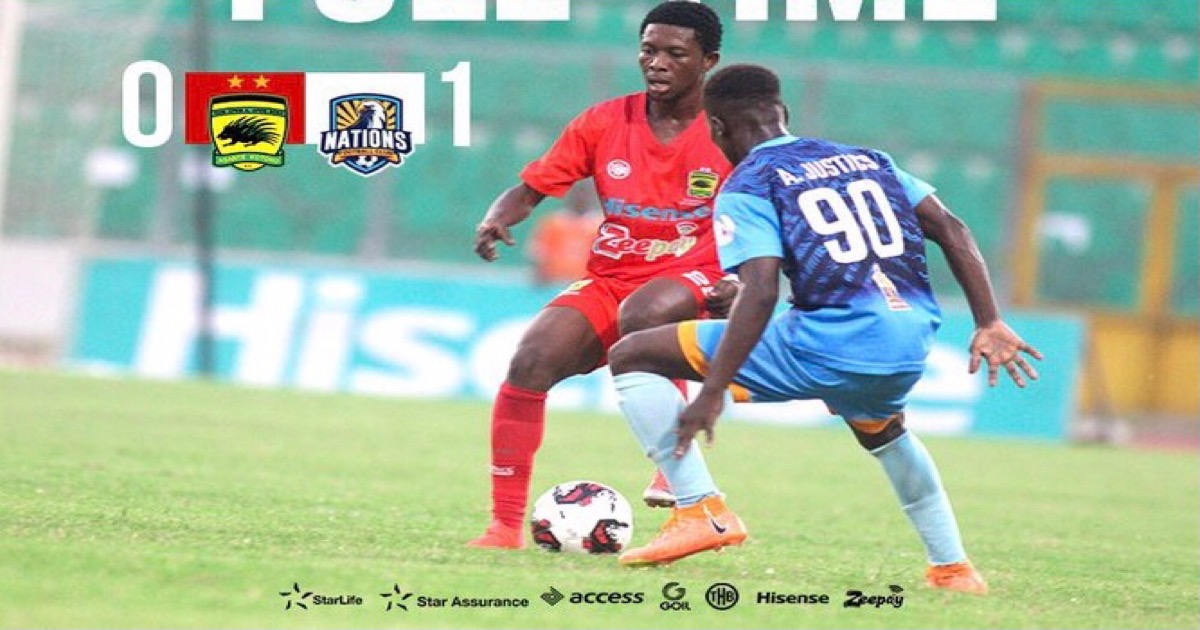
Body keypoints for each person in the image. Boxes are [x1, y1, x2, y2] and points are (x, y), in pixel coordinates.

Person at [607, 64, 1043, 594]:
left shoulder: (749, 183)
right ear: (782, 113)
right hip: (907, 342)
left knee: (632, 355)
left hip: (831, 340)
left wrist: (712, 391)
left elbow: (761, 291)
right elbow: (951, 228)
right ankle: (953, 568)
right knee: (884, 432)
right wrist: (989, 320)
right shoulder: (870, 160)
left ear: (716, 128)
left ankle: (700, 509)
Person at [468, 1, 738, 550]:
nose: (657, 63)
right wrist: (498, 216)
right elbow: (532, 188)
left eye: (675, 53)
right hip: (612, 276)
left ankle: (676, 470)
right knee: (530, 361)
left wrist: (745, 280)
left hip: (698, 274)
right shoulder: (604, 121)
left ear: (708, 61)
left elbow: (773, 209)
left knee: (646, 314)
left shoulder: (731, 131)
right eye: (648, 50)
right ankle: (503, 527)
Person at [526, 181, 604, 285]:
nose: (580, 197)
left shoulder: (600, 226)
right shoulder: (553, 222)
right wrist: (539, 275)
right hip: (553, 284)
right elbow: (538, 253)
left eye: (584, 193)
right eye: (576, 193)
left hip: (586, 286)